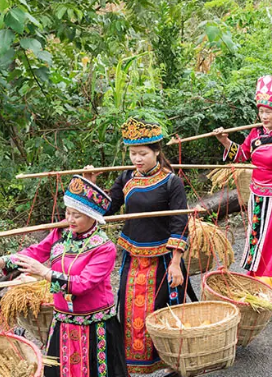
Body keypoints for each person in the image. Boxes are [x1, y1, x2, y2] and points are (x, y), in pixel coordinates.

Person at [0, 176, 129, 377]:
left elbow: (82, 285)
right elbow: (34, 252)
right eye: (67, 212)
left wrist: (44, 272)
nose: (69, 219)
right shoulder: (61, 234)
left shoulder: (104, 248)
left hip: (95, 326)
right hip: (62, 321)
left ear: (92, 217)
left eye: (76, 215)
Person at [84, 118, 197, 375]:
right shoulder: (126, 178)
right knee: (130, 310)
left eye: (142, 154)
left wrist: (177, 264)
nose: (137, 159)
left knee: (163, 312)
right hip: (133, 259)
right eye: (133, 154)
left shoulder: (171, 183)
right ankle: (134, 366)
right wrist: (90, 182)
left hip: (163, 260)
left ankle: (172, 363)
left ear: (156, 152)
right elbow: (104, 208)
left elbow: (179, 223)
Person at [214, 75, 272, 301]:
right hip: (257, 198)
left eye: (269, 112)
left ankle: (267, 288)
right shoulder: (255, 134)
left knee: (271, 243)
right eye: (261, 112)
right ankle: (263, 279)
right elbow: (243, 155)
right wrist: (225, 141)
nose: (264, 117)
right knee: (256, 238)